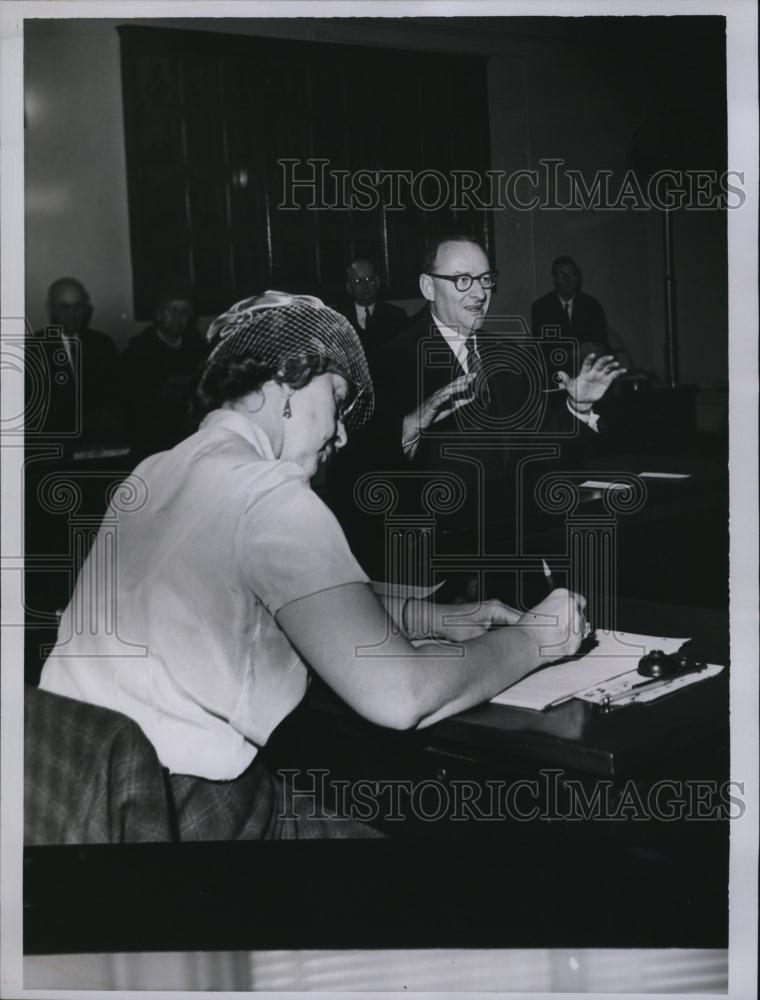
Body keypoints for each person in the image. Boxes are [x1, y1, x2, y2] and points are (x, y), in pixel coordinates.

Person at [38, 290, 587, 842]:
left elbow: (263, 592)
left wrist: (429, 617)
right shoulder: (269, 492)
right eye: (337, 399)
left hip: (81, 800)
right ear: (288, 380)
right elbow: (401, 698)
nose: (341, 434)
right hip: (189, 815)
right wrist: (540, 636)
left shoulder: (152, 472)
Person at [330, 236, 625, 584]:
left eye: (486, 279)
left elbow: (538, 454)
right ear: (428, 287)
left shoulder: (513, 356)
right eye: (462, 280)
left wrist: (576, 408)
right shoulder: (385, 363)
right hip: (434, 577)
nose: (479, 293)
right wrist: (409, 427)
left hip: (514, 565)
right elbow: (353, 476)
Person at [26, 277, 122, 447]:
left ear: (86, 309)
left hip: (100, 443)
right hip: (55, 448)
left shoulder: (102, 343)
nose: (72, 315)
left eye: (78, 306)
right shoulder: (32, 349)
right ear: (49, 309)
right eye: (64, 307)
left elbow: (117, 393)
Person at [121, 281, 209, 454]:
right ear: (159, 314)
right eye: (172, 310)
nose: (178, 317)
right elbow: (134, 402)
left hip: (188, 430)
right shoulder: (138, 351)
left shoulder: (196, 347)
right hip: (151, 433)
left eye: (184, 313)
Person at [531, 255, 611, 371]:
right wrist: (574, 354)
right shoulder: (541, 308)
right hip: (555, 372)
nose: (567, 279)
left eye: (572, 274)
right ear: (554, 278)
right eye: (561, 275)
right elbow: (543, 349)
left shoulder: (592, 305)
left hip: (587, 369)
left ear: (578, 277)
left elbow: (600, 340)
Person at [335, 258, 408, 351]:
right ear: (349, 287)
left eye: (369, 279)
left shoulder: (397, 316)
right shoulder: (337, 317)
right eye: (357, 281)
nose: (365, 286)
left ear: (377, 282)